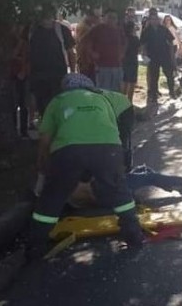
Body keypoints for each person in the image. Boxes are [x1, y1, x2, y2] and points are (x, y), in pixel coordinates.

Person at [29, 73, 144, 258]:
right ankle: (134, 235)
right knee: (119, 192)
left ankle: (35, 245)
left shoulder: (58, 100)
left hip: (69, 150)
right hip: (108, 149)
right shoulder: (102, 99)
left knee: (53, 197)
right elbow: (111, 127)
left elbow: (45, 138)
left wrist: (42, 162)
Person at [28, 7, 76, 117]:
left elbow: (71, 52)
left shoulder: (62, 30)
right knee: (41, 105)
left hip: (58, 74)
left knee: (58, 103)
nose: (46, 19)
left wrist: (73, 72)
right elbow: (25, 50)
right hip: (38, 74)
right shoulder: (32, 30)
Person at [140, 8, 176, 103]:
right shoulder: (147, 30)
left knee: (169, 74)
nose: (154, 21)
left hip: (164, 55)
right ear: (150, 20)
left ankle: (172, 91)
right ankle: (154, 94)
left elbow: (171, 42)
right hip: (153, 56)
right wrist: (144, 54)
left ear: (158, 20)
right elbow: (143, 43)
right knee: (154, 76)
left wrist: (172, 55)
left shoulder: (163, 29)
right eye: (152, 19)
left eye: (156, 19)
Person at [84, 9, 125, 91]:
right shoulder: (97, 29)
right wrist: (92, 53)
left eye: (114, 18)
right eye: (110, 17)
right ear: (104, 18)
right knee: (103, 91)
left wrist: (122, 54)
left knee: (117, 91)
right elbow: (86, 43)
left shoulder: (119, 30)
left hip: (117, 66)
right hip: (102, 66)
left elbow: (124, 43)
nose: (112, 20)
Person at [11, 24, 31, 138]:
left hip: (24, 75)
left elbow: (29, 59)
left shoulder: (27, 43)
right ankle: (13, 129)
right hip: (12, 75)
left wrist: (24, 72)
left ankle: (24, 130)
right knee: (13, 104)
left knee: (24, 104)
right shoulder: (12, 42)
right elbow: (11, 55)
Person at [122, 19, 140, 103]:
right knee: (132, 83)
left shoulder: (123, 38)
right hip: (133, 61)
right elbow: (139, 50)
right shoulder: (135, 39)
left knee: (124, 82)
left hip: (124, 61)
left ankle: (122, 101)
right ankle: (129, 101)